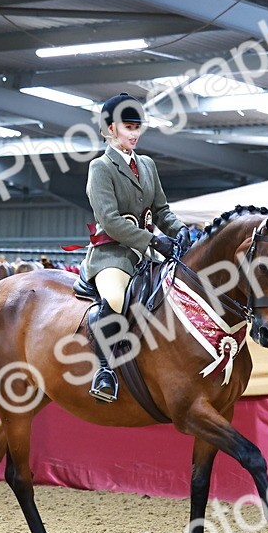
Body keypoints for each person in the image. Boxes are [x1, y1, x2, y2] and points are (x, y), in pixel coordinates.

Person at [82, 93, 186, 402]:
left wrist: (180, 231)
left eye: (137, 127)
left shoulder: (148, 165)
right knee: (115, 298)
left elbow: (162, 209)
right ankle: (104, 371)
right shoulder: (100, 167)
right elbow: (111, 221)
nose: (135, 134)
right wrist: (154, 240)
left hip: (147, 254)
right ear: (110, 129)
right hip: (112, 255)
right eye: (128, 127)